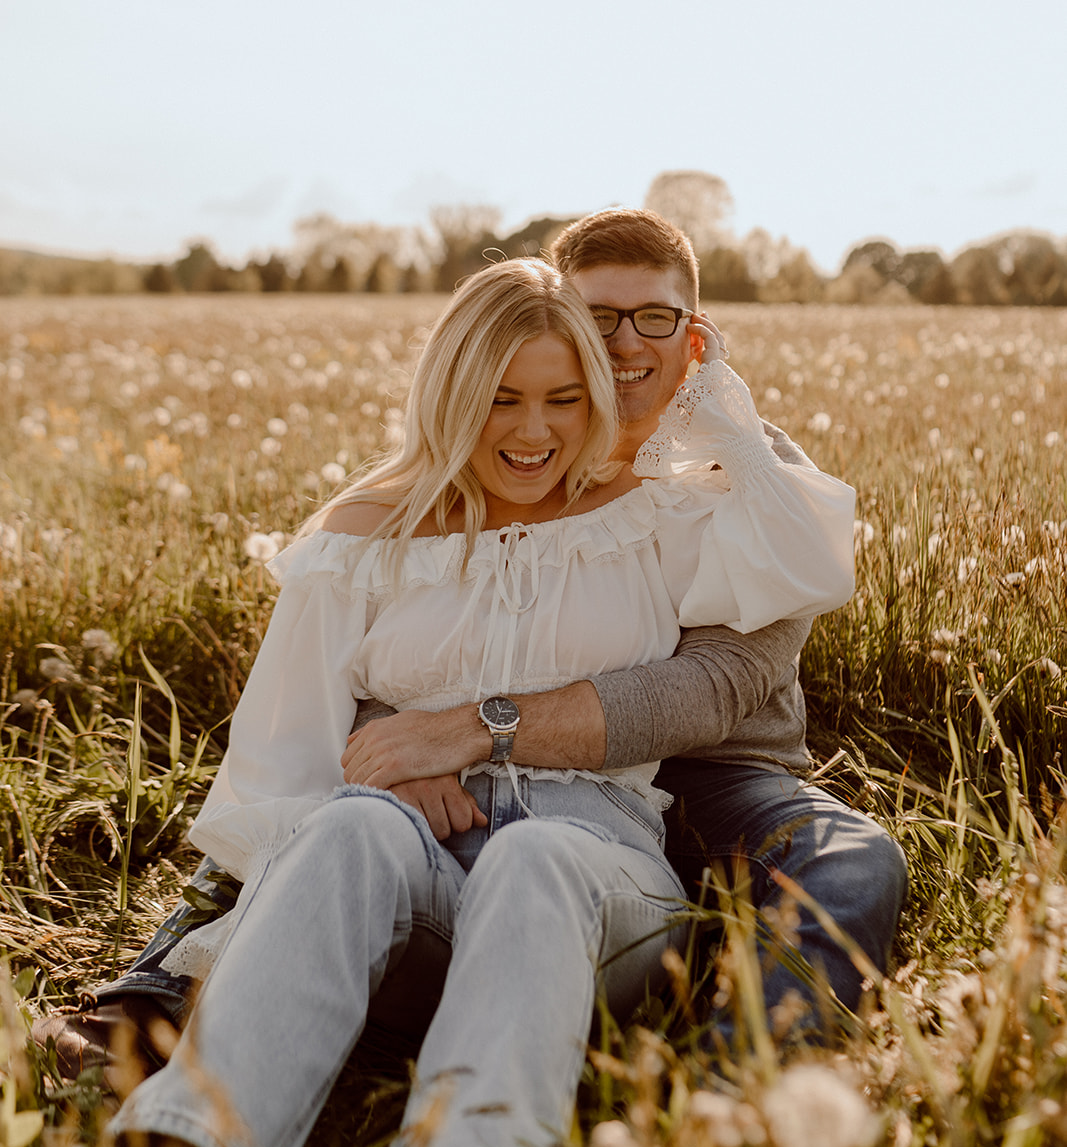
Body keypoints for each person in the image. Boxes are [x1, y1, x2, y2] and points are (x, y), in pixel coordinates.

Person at [103, 255, 856, 1147]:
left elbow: (806, 559)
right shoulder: (361, 537)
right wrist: (379, 772)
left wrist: (715, 398)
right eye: (501, 398)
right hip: (406, 894)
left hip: (592, 871)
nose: (534, 430)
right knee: (347, 828)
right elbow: (277, 768)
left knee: (536, 856)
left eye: (563, 398)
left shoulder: (652, 515)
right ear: (448, 392)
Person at [35, 208, 906, 1077]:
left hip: (715, 777)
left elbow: (721, 684)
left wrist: (466, 730)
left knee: (852, 861)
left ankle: (737, 1082)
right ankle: (162, 992)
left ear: (695, 335)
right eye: (595, 316)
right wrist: (394, 744)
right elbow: (407, 643)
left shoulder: (746, 470)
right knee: (324, 814)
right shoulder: (508, 456)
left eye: (654, 316)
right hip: (512, 787)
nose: (623, 343)